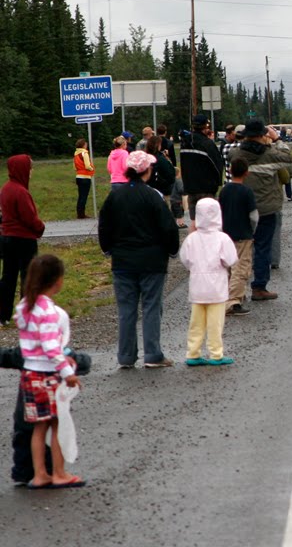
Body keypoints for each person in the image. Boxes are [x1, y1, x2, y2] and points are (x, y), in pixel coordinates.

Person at [98, 150, 181, 368]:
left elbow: (104, 225)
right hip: (152, 260)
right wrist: (172, 250)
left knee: (126, 310)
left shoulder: (115, 195)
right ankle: (153, 354)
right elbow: (168, 226)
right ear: (146, 170)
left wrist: (107, 249)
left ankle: (126, 356)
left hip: (123, 261)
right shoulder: (153, 195)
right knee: (152, 307)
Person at [14, 255, 83, 489]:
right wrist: (67, 373)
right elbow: (52, 349)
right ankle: (59, 472)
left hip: (29, 374)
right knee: (57, 424)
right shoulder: (49, 312)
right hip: (47, 376)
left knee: (39, 426)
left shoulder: (25, 307)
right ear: (58, 281)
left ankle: (40, 474)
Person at [229, 120, 292, 301]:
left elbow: (231, 155)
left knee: (240, 248)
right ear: (263, 135)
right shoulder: (270, 154)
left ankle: (236, 288)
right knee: (263, 247)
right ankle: (259, 287)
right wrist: (277, 138)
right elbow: (287, 157)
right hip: (266, 208)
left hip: (242, 207)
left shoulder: (236, 154)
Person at [178, 199, 238, 367]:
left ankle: (193, 353)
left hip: (197, 286)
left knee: (196, 323)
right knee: (215, 323)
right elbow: (230, 259)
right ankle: (216, 353)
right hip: (216, 287)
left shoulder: (192, 238)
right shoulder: (222, 238)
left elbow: (185, 259)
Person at [1, 155, 46, 326]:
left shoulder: (6, 189)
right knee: (28, 276)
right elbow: (29, 218)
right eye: (30, 168)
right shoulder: (21, 192)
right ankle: (26, 313)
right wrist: (40, 227)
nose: (31, 171)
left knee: (8, 276)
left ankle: (3, 314)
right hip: (24, 239)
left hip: (7, 238)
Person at [219, 158, 257, 316]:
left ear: (230, 171)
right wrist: (252, 230)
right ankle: (233, 301)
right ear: (246, 172)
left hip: (226, 233)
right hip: (243, 234)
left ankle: (226, 294)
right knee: (240, 268)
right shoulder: (247, 192)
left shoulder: (224, 190)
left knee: (227, 267)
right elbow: (254, 216)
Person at [179, 114, 225, 230]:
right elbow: (218, 165)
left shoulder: (185, 143)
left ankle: (193, 244)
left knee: (194, 222)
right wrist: (217, 183)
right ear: (206, 126)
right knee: (208, 223)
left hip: (190, 188)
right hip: (206, 189)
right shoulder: (208, 144)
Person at [146, 134, 176, 204]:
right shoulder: (160, 159)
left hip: (147, 191)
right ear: (158, 145)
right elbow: (171, 175)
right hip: (162, 191)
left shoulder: (145, 157)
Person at [73, 139, 94, 219]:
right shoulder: (84, 153)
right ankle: (82, 214)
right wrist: (92, 169)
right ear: (83, 145)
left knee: (80, 196)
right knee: (84, 196)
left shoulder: (76, 154)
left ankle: (79, 212)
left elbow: (74, 167)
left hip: (78, 176)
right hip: (85, 177)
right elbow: (87, 165)